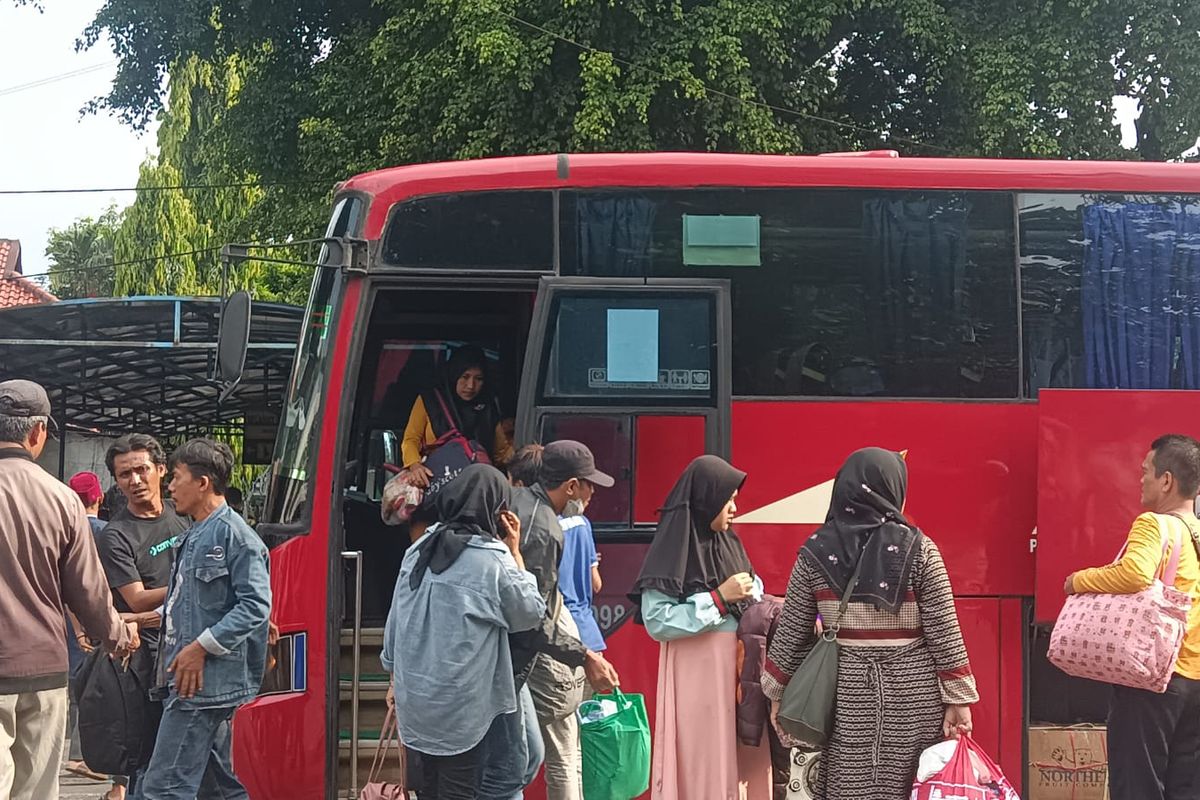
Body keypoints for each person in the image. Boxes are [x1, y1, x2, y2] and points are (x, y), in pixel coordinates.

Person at [762, 447, 977, 800]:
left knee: (851, 785)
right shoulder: (920, 550)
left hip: (846, 694)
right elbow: (945, 634)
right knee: (913, 785)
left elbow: (792, 635)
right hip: (914, 695)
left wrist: (776, 692)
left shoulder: (814, 553)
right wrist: (959, 700)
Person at [0, 379, 138, 800]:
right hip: (43, 668)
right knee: (36, 788)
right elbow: (88, 590)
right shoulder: (62, 500)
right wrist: (116, 636)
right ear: (37, 432)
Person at [382, 464, 546, 800]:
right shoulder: (491, 559)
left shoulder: (417, 551)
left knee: (428, 791)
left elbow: (394, 630)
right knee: (461, 789)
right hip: (461, 712)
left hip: (417, 707)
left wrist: (396, 678)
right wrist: (515, 553)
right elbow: (530, 612)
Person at [478, 440, 622, 800]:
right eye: (588, 484)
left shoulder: (518, 500)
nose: (591, 493)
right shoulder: (544, 528)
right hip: (509, 660)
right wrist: (585, 656)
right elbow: (533, 614)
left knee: (526, 753)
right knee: (521, 758)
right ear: (571, 486)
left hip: (497, 651)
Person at [1064, 434, 1200, 800]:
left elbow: (1135, 573)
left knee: (1138, 785)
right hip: (1196, 680)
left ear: (1167, 480)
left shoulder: (1156, 524)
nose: (1140, 480)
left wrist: (1077, 580)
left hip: (1154, 680)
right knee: (1186, 787)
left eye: (1145, 472)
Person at [628, 454, 772, 800]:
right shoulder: (672, 550)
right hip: (697, 674)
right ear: (708, 500)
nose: (735, 508)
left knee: (739, 757)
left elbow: (753, 590)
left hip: (736, 672)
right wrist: (718, 599)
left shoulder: (728, 543)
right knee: (702, 756)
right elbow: (657, 620)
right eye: (729, 499)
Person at [139, 438, 272, 800]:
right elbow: (187, 603)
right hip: (191, 679)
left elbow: (255, 605)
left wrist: (201, 647)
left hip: (202, 685)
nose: (169, 487)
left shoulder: (234, 536)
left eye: (176, 477)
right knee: (216, 787)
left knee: (163, 788)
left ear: (203, 483)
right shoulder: (195, 534)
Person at [92, 434, 190, 796]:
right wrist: (192, 585)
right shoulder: (116, 535)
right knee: (149, 757)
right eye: (124, 474)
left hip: (193, 650)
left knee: (199, 754)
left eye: (141, 469)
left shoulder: (183, 515)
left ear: (161, 471)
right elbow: (135, 601)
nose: (134, 480)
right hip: (148, 659)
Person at [402, 345, 515, 487]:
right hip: (437, 484)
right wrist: (415, 466)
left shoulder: (489, 407)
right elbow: (411, 440)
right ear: (453, 375)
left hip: (477, 487)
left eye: (478, 379)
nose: (470, 385)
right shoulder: (430, 400)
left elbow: (500, 455)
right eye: (465, 377)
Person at [62, 471, 111, 787]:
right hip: (99, 626)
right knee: (99, 695)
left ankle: (74, 753)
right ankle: (85, 758)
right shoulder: (108, 534)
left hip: (64, 629)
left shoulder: (62, 530)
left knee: (73, 694)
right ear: (100, 497)